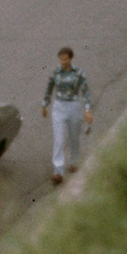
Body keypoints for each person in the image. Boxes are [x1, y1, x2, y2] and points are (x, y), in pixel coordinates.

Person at [41, 46, 93, 184]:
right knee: (59, 139)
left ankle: (73, 162)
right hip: (59, 106)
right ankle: (58, 171)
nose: (63, 62)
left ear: (70, 58)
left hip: (74, 105)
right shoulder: (55, 73)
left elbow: (85, 91)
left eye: (65, 59)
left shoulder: (78, 73)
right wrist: (45, 105)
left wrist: (87, 110)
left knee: (74, 136)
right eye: (60, 59)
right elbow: (49, 89)